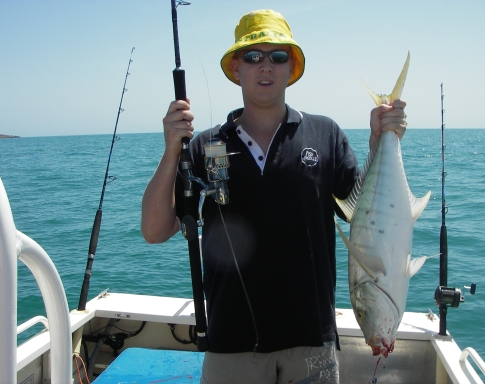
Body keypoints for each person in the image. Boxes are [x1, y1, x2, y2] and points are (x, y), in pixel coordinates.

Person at [141, 9, 407, 384]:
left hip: (311, 342)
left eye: (277, 56)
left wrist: (381, 142)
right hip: (230, 343)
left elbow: (363, 219)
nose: (265, 66)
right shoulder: (207, 145)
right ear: (236, 68)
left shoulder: (325, 135)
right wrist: (171, 149)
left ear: (290, 67)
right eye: (252, 56)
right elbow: (154, 230)